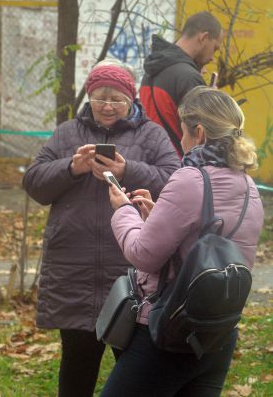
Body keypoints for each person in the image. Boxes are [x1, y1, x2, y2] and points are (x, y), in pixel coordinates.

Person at [22, 59, 180, 397]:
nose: (108, 106)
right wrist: (71, 167)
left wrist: (129, 171)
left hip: (130, 271)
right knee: (77, 366)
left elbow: (174, 183)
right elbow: (34, 183)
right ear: (89, 98)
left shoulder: (152, 135)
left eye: (117, 99)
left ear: (131, 100)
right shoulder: (67, 133)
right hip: (72, 271)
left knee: (135, 370)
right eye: (99, 98)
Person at [102, 87, 263, 396]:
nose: (181, 141)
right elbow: (209, 247)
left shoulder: (190, 178)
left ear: (199, 132)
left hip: (169, 328)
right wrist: (155, 217)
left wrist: (123, 209)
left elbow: (143, 254)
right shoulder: (248, 185)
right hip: (218, 333)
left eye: (183, 132)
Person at [140, 11, 223, 156]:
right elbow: (203, 135)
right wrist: (213, 102)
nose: (212, 58)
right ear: (204, 37)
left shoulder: (151, 70)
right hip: (178, 166)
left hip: (149, 162)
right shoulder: (188, 77)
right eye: (214, 48)